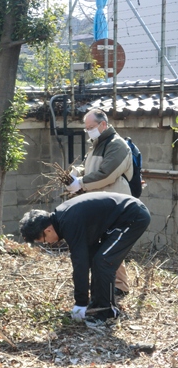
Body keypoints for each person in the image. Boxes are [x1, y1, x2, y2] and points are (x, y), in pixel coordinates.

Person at [19, 192, 150, 324]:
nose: (48, 243)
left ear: (48, 230)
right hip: (116, 221)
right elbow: (86, 257)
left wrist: (80, 303)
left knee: (104, 261)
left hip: (133, 216)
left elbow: (80, 263)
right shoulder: (63, 218)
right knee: (96, 259)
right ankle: (96, 307)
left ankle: (107, 312)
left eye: (44, 240)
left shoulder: (68, 222)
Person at [66, 108, 134, 297]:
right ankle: (109, 283)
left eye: (91, 127)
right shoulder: (96, 143)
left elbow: (107, 173)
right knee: (102, 244)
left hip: (115, 202)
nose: (88, 131)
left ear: (103, 124)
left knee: (111, 244)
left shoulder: (117, 145)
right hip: (99, 201)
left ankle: (120, 286)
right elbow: (89, 167)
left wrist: (81, 183)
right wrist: (75, 173)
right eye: (86, 128)